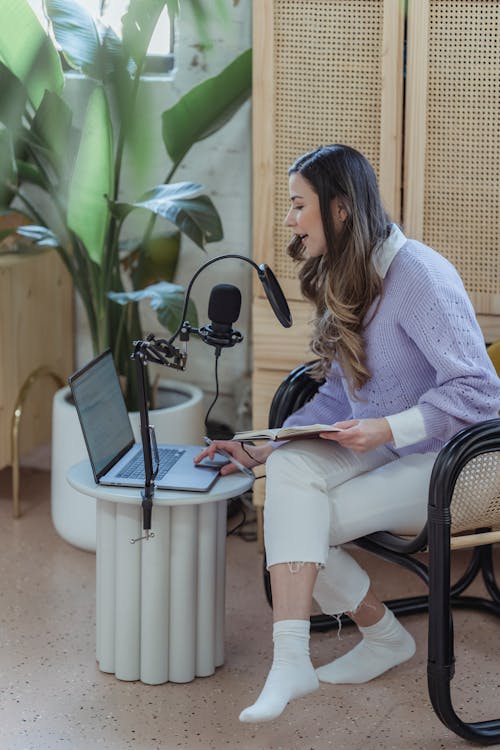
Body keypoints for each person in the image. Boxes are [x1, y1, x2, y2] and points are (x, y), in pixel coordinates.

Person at [195, 144, 500, 723]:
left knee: (298, 521)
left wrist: (390, 425)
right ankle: (320, 651)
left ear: (339, 210)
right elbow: (340, 394)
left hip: (463, 463)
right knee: (288, 475)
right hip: (393, 449)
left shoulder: (418, 275)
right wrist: (265, 447)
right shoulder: (352, 274)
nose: (288, 220)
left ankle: (340, 648)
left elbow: (480, 392)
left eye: (297, 205)